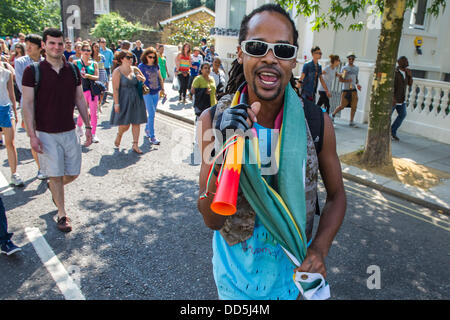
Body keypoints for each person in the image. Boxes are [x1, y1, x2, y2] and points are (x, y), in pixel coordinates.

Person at [197, 4, 346, 300]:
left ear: (294, 59)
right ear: (241, 54)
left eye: (282, 50)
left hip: (289, 282)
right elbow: (211, 220)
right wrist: (225, 146)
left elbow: (337, 196)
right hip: (233, 283)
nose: (270, 58)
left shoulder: (317, 123)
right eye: (257, 47)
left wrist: (319, 248)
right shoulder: (212, 121)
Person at [22, 28, 93, 233]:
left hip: (69, 130)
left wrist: (88, 127)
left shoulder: (72, 69)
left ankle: (54, 188)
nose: (56, 47)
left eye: (60, 43)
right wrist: (32, 135)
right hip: (45, 133)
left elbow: (79, 98)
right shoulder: (32, 71)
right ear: (44, 45)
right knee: (54, 174)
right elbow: (27, 103)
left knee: (73, 173)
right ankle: (62, 214)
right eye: (52, 43)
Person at [14, 33, 47, 180]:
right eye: (26, 44)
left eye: (31, 45)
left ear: (40, 47)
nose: (27, 47)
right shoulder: (21, 62)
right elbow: (22, 86)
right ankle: (41, 168)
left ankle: (50, 165)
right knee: (34, 136)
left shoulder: (47, 61)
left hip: (47, 105)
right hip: (29, 105)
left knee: (47, 136)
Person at [110, 50, 147, 154]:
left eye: (131, 57)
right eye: (128, 57)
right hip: (123, 99)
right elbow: (115, 89)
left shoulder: (135, 69)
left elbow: (143, 79)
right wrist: (116, 103)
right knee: (125, 124)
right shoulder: (117, 71)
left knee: (137, 122)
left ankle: (135, 144)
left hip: (136, 98)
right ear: (121, 59)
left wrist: (141, 78)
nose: (130, 60)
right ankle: (120, 134)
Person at [0, 61, 23, 187]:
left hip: (5, 108)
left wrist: (14, 110)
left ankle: (14, 174)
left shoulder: (5, 69)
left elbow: (11, 94)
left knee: (10, 142)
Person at [138, 47, 164, 145]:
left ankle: (147, 129)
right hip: (146, 92)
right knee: (152, 114)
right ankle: (152, 136)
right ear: (146, 56)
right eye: (150, 57)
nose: (152, 59)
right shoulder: (141, 66)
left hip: (156, 91)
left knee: (152, 113)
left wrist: (163, 89)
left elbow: (160, 78)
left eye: (154, 57)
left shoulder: (156, 66)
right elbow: (138, 79)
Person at [191, 62, 216, 163]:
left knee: (212, 125)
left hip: (212, 105)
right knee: (200, 124)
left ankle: (210, 144)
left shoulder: (212, 79)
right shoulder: (198, 79)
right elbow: (192, 91)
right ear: (201, 70)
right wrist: (203, 91)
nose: (207, 70)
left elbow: (215, 91)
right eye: (205, 68)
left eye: (208, 68)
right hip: (202, 106)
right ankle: (197, 143)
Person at [75, 42, 100, 143]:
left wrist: (88, 76)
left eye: (88, 50)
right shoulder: (76, 63)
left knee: (94, 113)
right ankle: (79, 126)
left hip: (93, 91)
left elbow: (97, 77)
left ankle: (93, 134)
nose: (86, 52)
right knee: (83, 111)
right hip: (81, 90)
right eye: (84, 50)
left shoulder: (94, 63)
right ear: (80, 51)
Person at [331, 52, 362, 127]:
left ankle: (351, 121)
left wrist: (358, 85)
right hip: (346, 89)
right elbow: (341, 80)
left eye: (353, 58)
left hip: (353, 89)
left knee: (354, 106)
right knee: (342, 105)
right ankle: (333, 115)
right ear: (348, 59)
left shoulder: (356, 68)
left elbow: (356, 79)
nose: (351, 60)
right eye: (350, 58)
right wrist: (347, 81)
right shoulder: (344, 68)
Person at [391, 56, 413, 141]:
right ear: (399, 62)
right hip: (394, 99)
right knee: (388, 116)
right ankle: (383, 133)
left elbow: (410, 84)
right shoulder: (395, 72)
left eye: (407, 60)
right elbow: (391, 86)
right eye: (405, 61)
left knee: (403, 114)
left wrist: (410, 76)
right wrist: (392, 98)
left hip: (402, 99)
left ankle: (392, 131)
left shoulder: (407, 72)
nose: (406, 62)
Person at [91, 41, 108, 112]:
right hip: (93, 75)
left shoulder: (102, 57)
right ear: (92, 48)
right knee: (94, 91)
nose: (97, 48)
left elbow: (103, 67)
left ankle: (99, 103)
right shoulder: (90, 57)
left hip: (101, 74)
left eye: (98, 47)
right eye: (95, 47)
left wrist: (106, 78)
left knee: (102, 90)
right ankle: (93, 105)